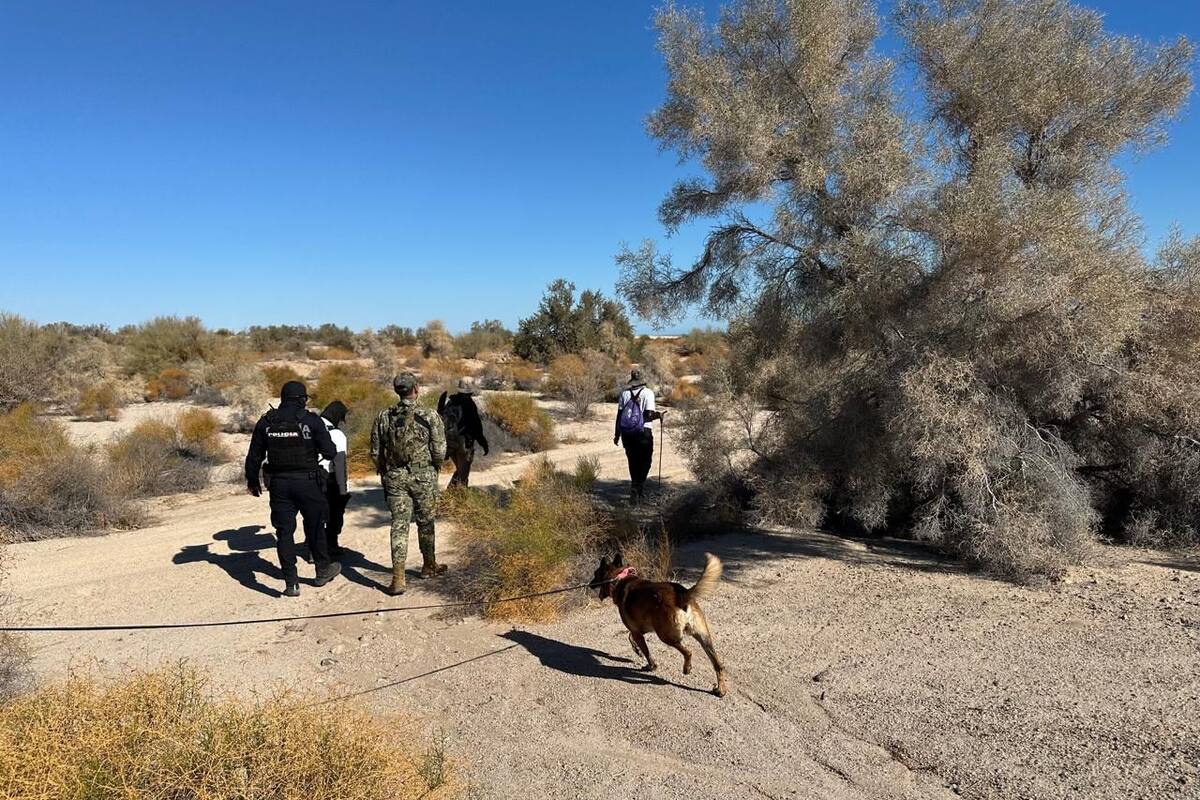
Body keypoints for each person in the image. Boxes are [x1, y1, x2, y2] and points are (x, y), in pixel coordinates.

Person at [245, 380, 342, 597]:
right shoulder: (311, 421)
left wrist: (252, 482)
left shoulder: (266, 422)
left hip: (279, 485)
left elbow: (254, 457)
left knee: (284, 533)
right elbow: (330, 451)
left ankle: (291, 582)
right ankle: (322, 571)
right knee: (315, 528)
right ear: (301, 399)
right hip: (308, 482)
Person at [370, 372, 447, 596]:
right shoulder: (429, 415)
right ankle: (428, 565)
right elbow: (440, 450)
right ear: (417, 388)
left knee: (399, 524)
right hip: (423, 476)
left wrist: (385, 470)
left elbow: (375, 451)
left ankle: (398, 578)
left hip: (395, 477)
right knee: (426, 522)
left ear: (397, 390)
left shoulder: (384, 416)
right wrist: (434, 467)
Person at [614, 369, 662, 504]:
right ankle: (637, 488)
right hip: (643, 432)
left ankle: (636, 490)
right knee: (645, 461)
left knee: (633, 461)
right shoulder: (648, 393)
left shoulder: (624, 394)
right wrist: (659, 415)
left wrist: (617, 434)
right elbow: (648, 415)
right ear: (643, 380)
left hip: (627, 434)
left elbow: (619, 416)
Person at [437, 377, 489, 488]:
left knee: (459, 471)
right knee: (463, 475)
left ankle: (449, 498)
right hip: (464, 444)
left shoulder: (450, 402)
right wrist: (483, 443)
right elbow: (476, 427)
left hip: (449, 443)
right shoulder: (469, 404)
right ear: (471, 390)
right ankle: (458, 501)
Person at [318, 400, 351, 558]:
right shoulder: (337, 435)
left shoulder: (309, 426)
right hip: (329, 478)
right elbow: (339, 463)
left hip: (309, 477)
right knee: (335, 513)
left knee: (314, 514)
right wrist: (343, 490)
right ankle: (331, 545)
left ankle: (313, 548)